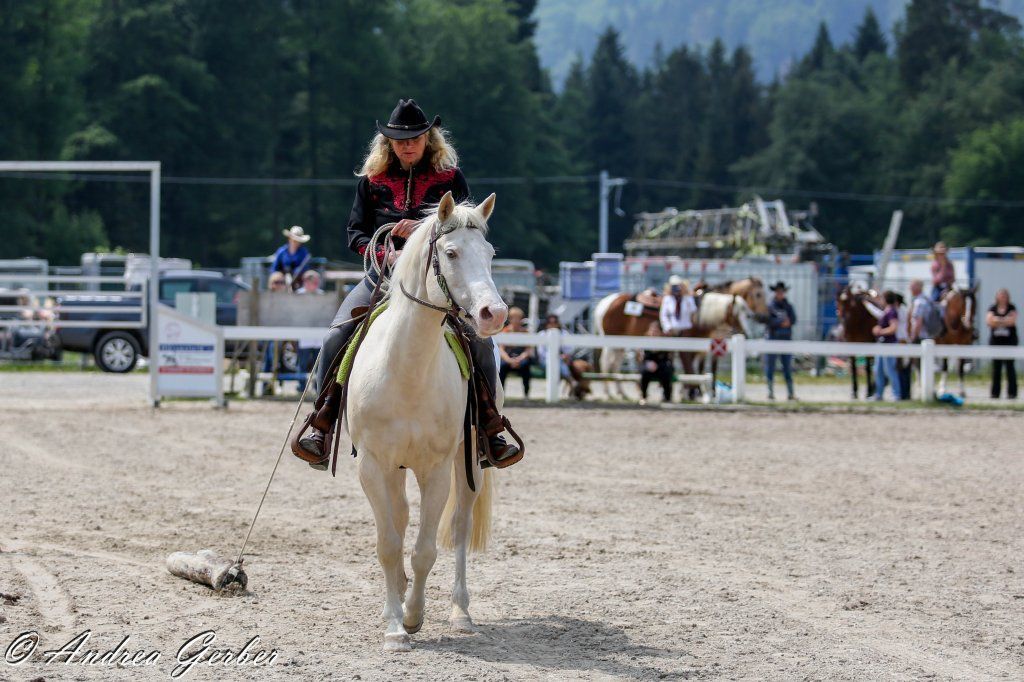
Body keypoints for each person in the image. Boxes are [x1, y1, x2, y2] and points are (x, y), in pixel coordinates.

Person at [292, 98, 519, 468]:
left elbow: (463, 230)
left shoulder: (450, 178)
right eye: (400, 140)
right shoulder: (371, 182)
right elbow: (355, 233)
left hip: (438, 280)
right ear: (389, 143)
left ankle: (490, 428)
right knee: (336, 335)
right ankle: (322, 425)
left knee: (479, 342)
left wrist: (422, 231)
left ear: (428, 139)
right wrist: (387, 254)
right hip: (381, 275)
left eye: (415, 138)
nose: (408, 145)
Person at [764, 281, 796, 400]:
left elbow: (793, 319)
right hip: (773, 338)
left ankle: (790, 393)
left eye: (782, 292)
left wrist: (787, 323)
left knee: (787, 366)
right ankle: (770, 392)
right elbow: (768, 321)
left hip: (786, 338)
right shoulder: (770, 306)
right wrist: (781, 322)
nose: (780, 294)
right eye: (778, 292)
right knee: (770, 366)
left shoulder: (788, 306)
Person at [295, 271, 325, 388]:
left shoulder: (322, 295)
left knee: (318, 364)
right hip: (304, 335)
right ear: (306, 282)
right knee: (302, 362)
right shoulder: (298, 295)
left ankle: (316, 386)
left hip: (318, 335)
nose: (315, 284)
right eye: (312, 281)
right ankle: (301, 386)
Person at [986, 288, 1018, 399]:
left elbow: (1012, 320)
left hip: (1010, 342)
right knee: (996, 368)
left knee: (1010, 368)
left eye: (1004, 296)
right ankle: (995, 393)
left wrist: (997, 320)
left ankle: (1012, 393)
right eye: (1001, 295)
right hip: (996, 342)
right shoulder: (992, 308)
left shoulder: (1011, 307)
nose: (1002, 298)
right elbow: (989, 321)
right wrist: (1005, 320)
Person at [872, 290, 901, 401]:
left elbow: (894, 328)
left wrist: (880, 331)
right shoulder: (886, 311)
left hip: (889, 344)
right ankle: (878, 394)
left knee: (890, 370)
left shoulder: (892, 312)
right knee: (878, 370)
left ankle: (896, 394)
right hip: (882, 344)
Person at [499, 307, 534, 399]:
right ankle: (501, 394)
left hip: (521, 358)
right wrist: (509, 360)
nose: (515, 320)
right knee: (502, 367)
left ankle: (526, 394)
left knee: (526, 366)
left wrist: (519, 359)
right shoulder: (505, 331)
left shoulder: (525, 332)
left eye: (518, 318)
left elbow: (528, 350)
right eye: (513, 318)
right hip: (509, 358)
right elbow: (501, 349)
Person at [639, 322, 673, 405]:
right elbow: (642, 358)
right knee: (644, 373)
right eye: (652, 331)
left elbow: (667, 358)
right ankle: (644, 396)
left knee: (666, 373)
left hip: (661, 365)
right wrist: (648, 363)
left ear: (660, 332)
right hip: (648, 365)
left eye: (656, 331)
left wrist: (658, 364)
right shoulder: (645, 341)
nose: (653, 333)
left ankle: (667, 397)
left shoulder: (665, 342)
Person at [271, 226, 313, 290]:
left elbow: (306, 268)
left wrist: (297, 273)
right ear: (289, 239)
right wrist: (280, 278)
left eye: (297, 240)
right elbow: (275, 268)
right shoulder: (282, 251)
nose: (295, 242)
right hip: (282, 281)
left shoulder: (304, 253)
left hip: (299, 281)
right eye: (294, 240)